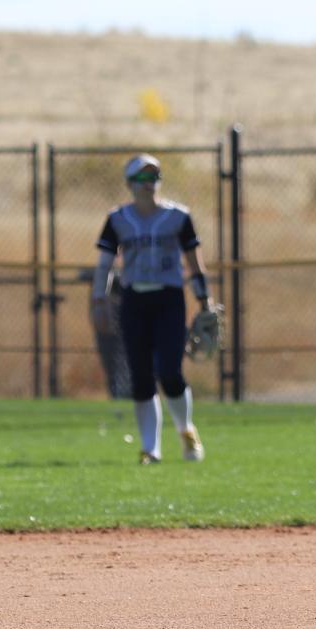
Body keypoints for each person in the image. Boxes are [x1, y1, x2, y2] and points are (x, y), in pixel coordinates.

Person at [91, 154, 211, 463]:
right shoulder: (118, 219)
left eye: (153, 178)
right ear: (130, 184)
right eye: (142, 179)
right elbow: (104, 264)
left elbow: (194, 262)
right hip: (134, 301)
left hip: (169, 299)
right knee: (141, 377)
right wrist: (98, 300)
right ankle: (150, 448)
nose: (149, 184)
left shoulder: (178, 217)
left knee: (170, 372)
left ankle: (186, 431)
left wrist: (204, 300)